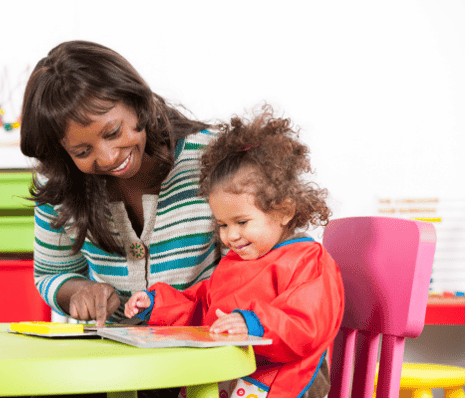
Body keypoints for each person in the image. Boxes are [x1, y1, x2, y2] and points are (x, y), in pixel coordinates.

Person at [125, 106, 345, 398]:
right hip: (233, 375)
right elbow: (202, 308)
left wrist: (253, 324)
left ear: (284, 210)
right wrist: (156, 303)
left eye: (241, 222)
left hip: (286, 381)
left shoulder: (308, 260)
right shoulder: (234, 263)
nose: (230, 236)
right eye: (222, 225)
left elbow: (306, 323)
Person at [20, 40, 221, 328]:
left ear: (137, 102)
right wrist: (81, 291)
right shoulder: (60, 185)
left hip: (207, 353)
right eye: (83, 152)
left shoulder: (211, 159)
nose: (108, 157)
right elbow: (51, 274)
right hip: (114, 362)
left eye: (113, 132)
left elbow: (252, 267)